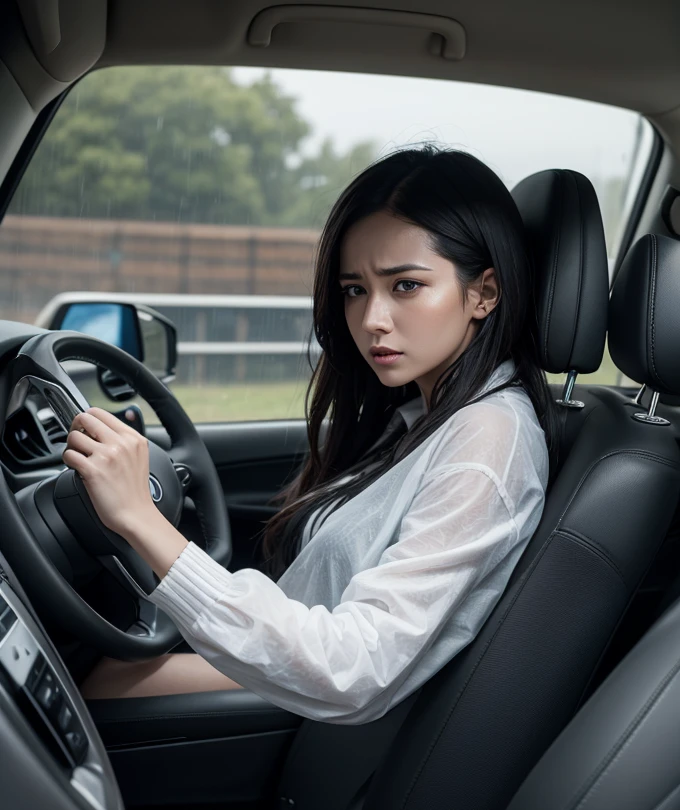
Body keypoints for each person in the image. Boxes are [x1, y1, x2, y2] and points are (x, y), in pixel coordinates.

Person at [68, 145, 553, 724]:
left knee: (79, 694)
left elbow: (355, 669)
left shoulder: (487, 443)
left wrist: (140, 520)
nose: (371, 319)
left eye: (405, 286)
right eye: (355, 289)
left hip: (315, 710)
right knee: (98, 675)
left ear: (484, 294)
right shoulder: (428, 419)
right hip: (286, 668)